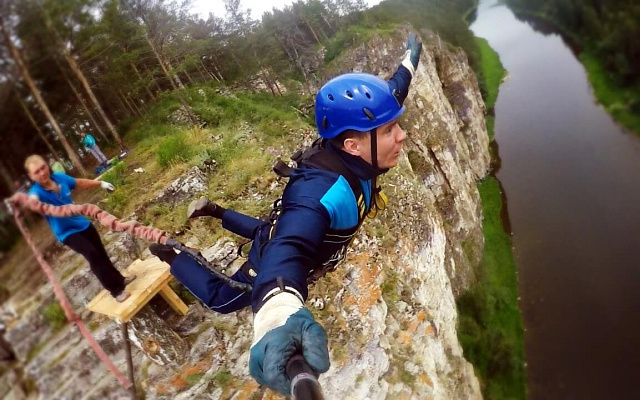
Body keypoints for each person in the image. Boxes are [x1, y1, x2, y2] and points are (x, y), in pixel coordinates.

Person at [149, 33, 422, 395]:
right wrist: (278, 316)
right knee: (225, 299)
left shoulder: (357, 137)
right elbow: (288, 248)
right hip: (275, 255)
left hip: (289, 233)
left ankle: (215, 210)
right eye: (390, 130)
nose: (403, 136)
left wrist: (409, 60)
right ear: (352, 146)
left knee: (269, 230)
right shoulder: (319, 192)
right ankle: (170, 254)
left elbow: (394, 91)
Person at [24, 155, 135, 302]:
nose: (42, 173)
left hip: (83, 224)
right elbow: (32, 200)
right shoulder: (36, 192)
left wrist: (101, 183)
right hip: (67, 233)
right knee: (92, 254)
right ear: (31, 176)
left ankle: (119, 280)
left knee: (101, 253)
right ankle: (116, 291)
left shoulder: (59, 178)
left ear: (46, 165)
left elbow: (79, 182)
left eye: (43, 168)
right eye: (36, 172)